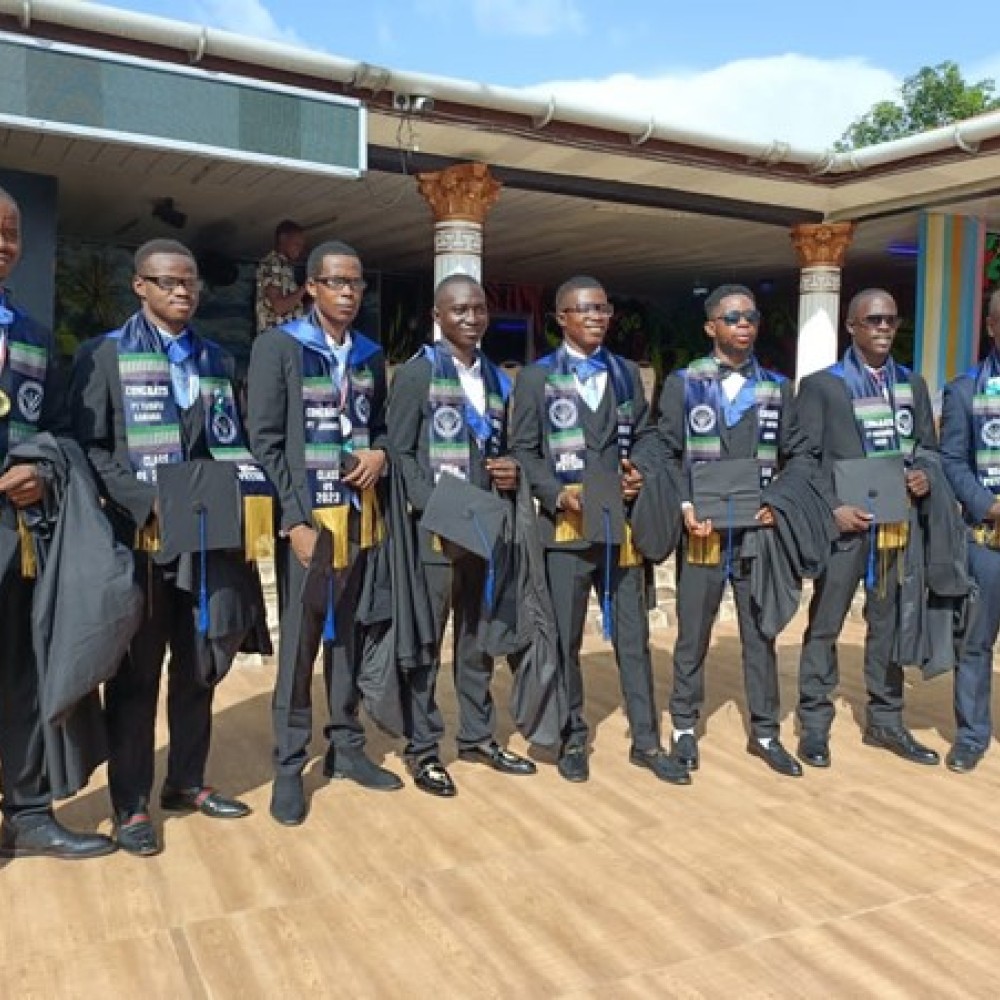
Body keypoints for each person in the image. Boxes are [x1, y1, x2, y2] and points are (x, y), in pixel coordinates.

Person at [72, 238, 258, 856]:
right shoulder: (103, 355)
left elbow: (228, 444)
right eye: (168, 282)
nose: (183, 292)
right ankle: (129, 805)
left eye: (191, 283)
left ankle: (187, 782)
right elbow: (89, 446)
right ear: (140, 287)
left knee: (199, 665)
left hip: (206, 538)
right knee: (136, 677)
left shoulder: (216, 358)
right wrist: (140, 500)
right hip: (142, 541)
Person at [510, 275, 689, 785]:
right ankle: (571, 735)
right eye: (583, 309)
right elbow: (523, 448)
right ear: (561, 317)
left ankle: (647, 741)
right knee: (566, 639)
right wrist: (554, 493)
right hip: (566, 528)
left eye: (603, 308)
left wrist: (642, 472)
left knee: (633, 639)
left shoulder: (628, 373)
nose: (595, 316)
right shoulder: (535, 378)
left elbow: (650, 436)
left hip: (621, 524)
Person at [248, 240, 401, 826]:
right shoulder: (278, 348)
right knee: (300, 648)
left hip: (359, 518)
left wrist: (381, 454)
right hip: (309, 522)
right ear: (310, 286)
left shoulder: (367, 355)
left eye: (356, 283)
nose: (347, 292)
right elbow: (263, 439)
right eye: (336, 282)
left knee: (350, 637)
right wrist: (292, 521)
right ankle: (289, 766)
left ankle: (346, 748)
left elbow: (380, 424)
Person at [0, 185, 116, 860]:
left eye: (12, 234)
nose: (5, 246)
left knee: (23, 676)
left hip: (21, 543)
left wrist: (44, 474)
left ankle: (30, 811)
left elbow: (64, 433)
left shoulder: (36, 337)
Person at [387, 274, 536, 797]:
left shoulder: (497, 377)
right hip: (437, 528)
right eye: (458, 310)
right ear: (438, 316)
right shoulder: (416, 374)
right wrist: (432, 505)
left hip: (485, 523)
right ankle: (423, 749)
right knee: (428, 639)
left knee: (477, 638)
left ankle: (476, 735)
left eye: (478, 309)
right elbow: (399, 450)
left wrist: (512, 468)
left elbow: (509, 445)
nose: (470, 318)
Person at [657, 284, 814, 777]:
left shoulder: (776, 387)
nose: (744, 324)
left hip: (756, 532)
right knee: (692, 634)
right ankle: (684, 729)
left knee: (760, 632)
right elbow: (665, 453)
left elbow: (801, 455)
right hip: (702, 529)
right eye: (733, 317)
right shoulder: (682, 384)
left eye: (751, 316)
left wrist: (776, 503)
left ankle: (766, 733)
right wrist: (684, 506)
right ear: (712, 327)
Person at [794, 288, 939, 768]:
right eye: (873, 319)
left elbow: (929, 450)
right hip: (845, 528)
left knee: (890, 626)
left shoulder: (911, 385)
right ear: (851, 326)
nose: (883, 328)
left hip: (895, 527)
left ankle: (886, 720)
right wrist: (832, 506)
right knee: (826, 626)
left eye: (891, 320)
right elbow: (803, 458)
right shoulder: (823, 385)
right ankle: (814, 725)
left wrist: (923, 474)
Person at [939, 287, 1000, 773]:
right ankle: (972, 734)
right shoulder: (965, 389)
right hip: (988, 543)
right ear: (993, 328)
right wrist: (987, 504)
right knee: (975, 642)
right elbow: (952, 460)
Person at [255, 219, 308, 336]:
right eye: (297, 244)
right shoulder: (273, 263)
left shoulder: (286, 267)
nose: (299, 249)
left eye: (301, 246)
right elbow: (279, 307)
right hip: (276, 342)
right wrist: (305, 287)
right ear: (283, 239)